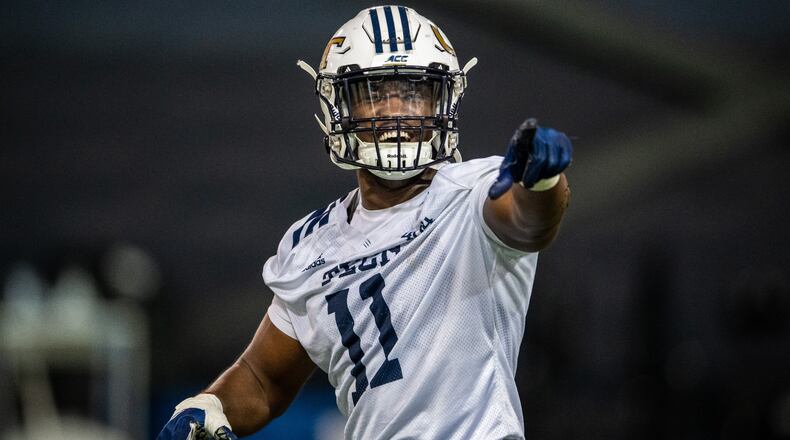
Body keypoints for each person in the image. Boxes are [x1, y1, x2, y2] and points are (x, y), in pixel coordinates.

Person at [158, 5, 572, 440]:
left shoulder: (475, 190)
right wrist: (211, 404)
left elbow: (528, 223)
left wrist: (541, 182)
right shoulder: (311, 244)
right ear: (339, 105)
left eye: (413, 92)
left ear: (442, 100)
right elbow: (263, 380)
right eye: (374, 93)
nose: (395, 111)